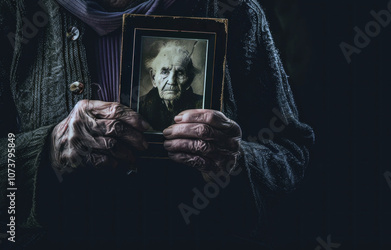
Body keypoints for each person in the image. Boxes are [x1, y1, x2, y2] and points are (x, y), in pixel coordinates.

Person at [0, 0, 315, 248]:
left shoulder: (235, 9)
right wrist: (47, 149)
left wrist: (236, 160)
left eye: (182, 74)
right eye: (164, 73)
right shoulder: (13, 12)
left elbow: (290, 150)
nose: (173, 80)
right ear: (153, 76)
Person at [140, 41, 203, 131]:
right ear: (153, 78)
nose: (171, 81)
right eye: (165, 72)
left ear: (189, 81)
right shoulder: (139, 106)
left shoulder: (202, 107)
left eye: (180, 73)